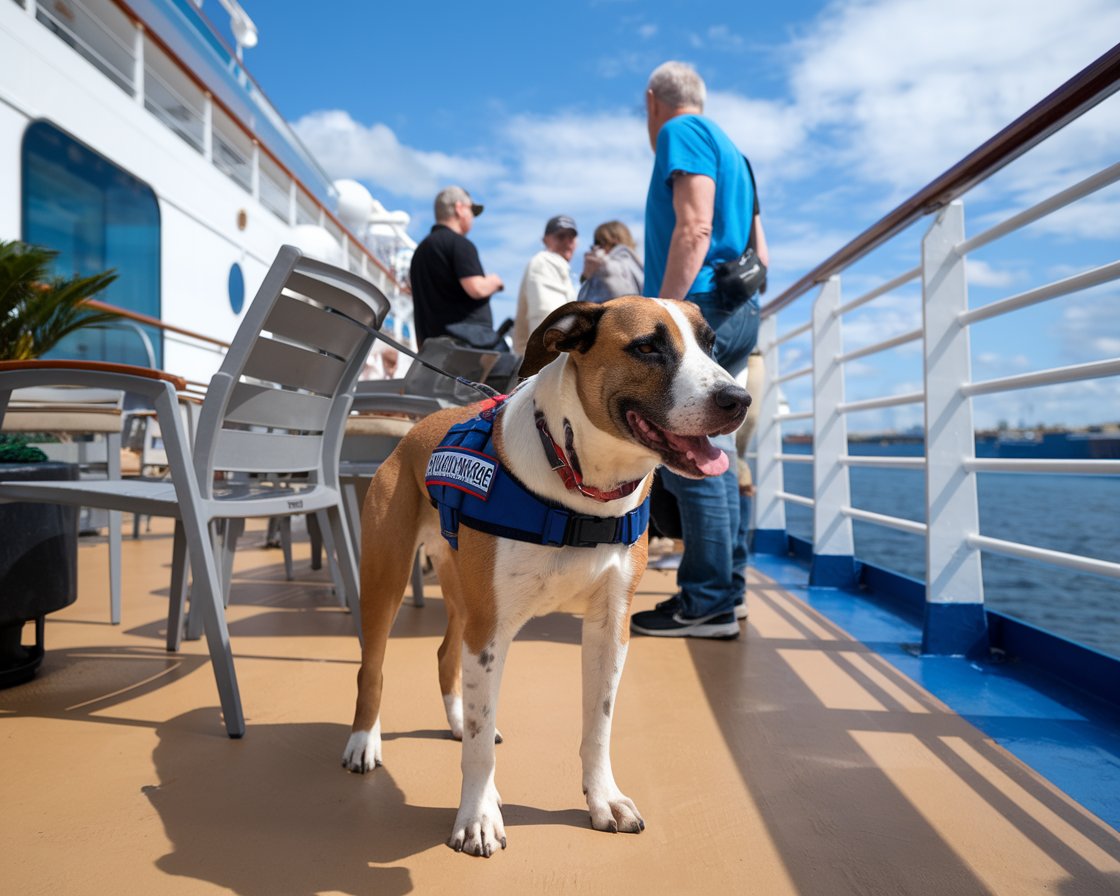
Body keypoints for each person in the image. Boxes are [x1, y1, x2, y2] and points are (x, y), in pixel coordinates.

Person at [630, 61, 767, 641]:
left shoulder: (680, 133)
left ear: (651, 102)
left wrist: (663, 313)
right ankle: (727, 592)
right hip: (738, 309)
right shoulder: (737, 152)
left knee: (687, 457)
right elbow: (763, 254)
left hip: (699, 306)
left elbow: (694, 228)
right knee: (714, 452)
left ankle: (707, 601)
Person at [409, 185, 504, 347]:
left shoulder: (419, 252)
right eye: (471, 210)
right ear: (459, 208)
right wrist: (495, 282)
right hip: (467, 345)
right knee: (518, 367)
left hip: (431, 349)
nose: (472, 217)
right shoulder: (459, 244)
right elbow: (476, 288)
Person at [511, 215, 579, 355]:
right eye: (561, 236)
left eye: (571, 237)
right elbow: (550, 322)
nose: (567, 241)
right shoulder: (543, 262)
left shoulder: (560, 269)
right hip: (547, 364)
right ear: (545, 240)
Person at [577, 220, 644, 302]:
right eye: (595, 243)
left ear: (614, 241)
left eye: (599, 242)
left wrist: (599, 262)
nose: (596, 247)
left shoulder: (612, 264)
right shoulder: (637, 267)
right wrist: (585, 277)